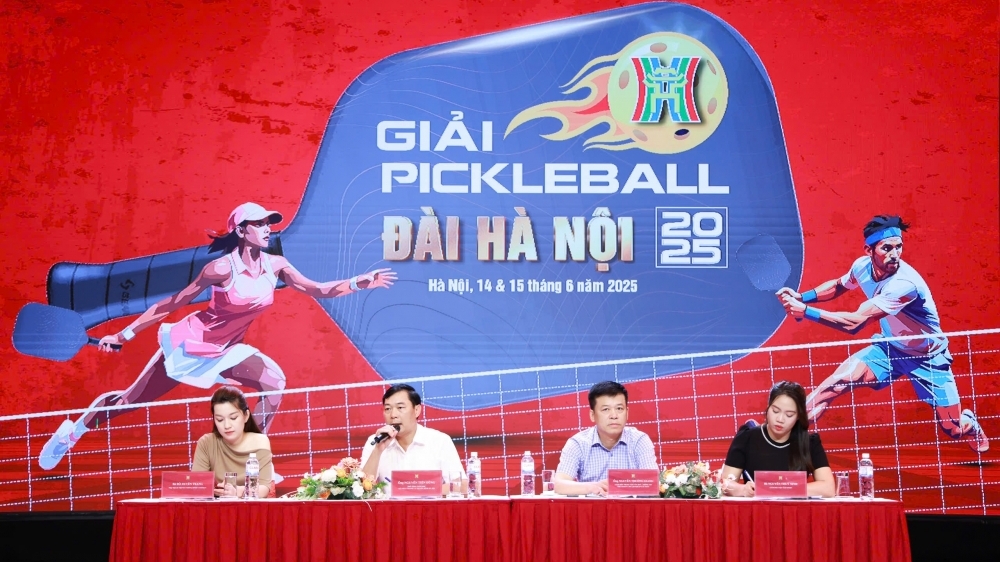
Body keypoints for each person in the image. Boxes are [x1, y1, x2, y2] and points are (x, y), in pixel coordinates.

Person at [39, 202, 397, 470]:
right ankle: (73, 431)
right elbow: (172, 303)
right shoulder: (221, 268)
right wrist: (124, 333)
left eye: (269, 223)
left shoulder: (276, 265)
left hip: (228, 350)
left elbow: (318, 289)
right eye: (259, 224)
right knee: (128, 401)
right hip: (191, 345)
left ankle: (249, 458)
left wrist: (357, 282)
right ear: (241, 230)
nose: (267, 229)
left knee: (274, 382)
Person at [776, 215, 988, 453]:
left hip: (928, 357)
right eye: (887, 248)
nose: (895, 254)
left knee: (953, 427)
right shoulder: (861, 267)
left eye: (899, 247)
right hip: (890, 350)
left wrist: (805, 311)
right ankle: (780, 439)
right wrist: (802, 297)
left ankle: (970, 424)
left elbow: (855, 323)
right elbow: (838, 285)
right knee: (835, 383)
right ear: (869, 250)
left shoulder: (904, 285)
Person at [720, 381, 835, 497]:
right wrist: (743, 490)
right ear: (768, 407)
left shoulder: (809, 443)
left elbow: (828, 488)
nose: (780, 419)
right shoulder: (747, 437)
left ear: (798, 416)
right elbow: (725, 484)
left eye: (789, 415)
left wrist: (781, 488)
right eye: (775, 411)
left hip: (795, 508)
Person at [553, 381, 658, 496]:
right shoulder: (578, 443)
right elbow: (559, 484)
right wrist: (593, 487)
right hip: (592, 506)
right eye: (606, 409)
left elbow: (653, 482)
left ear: (627, 413)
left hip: (631, 507)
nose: (614, 415)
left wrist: (616, 485)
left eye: (619, 408)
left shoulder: (639, 440)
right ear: (592, 415)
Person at [360, 384, 466, 496]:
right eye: (387, 409)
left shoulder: (440, 441)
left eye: (400, 408)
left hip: (429, 507)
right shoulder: (375, 441)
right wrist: (377, 450)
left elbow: (461, 486)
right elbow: (361, 490)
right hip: (391, 507)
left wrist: (415, 489)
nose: (393, 415)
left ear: (416, 410)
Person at [192, 385, 273, 498]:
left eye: (233, 418)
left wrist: (238, 491)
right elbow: (197, 486)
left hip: (252, 506)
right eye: (220, 419)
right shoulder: (207, 443)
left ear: (246, 416)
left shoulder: (260, 442)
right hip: (219, 505)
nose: (227, 425)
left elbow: (264, 489)